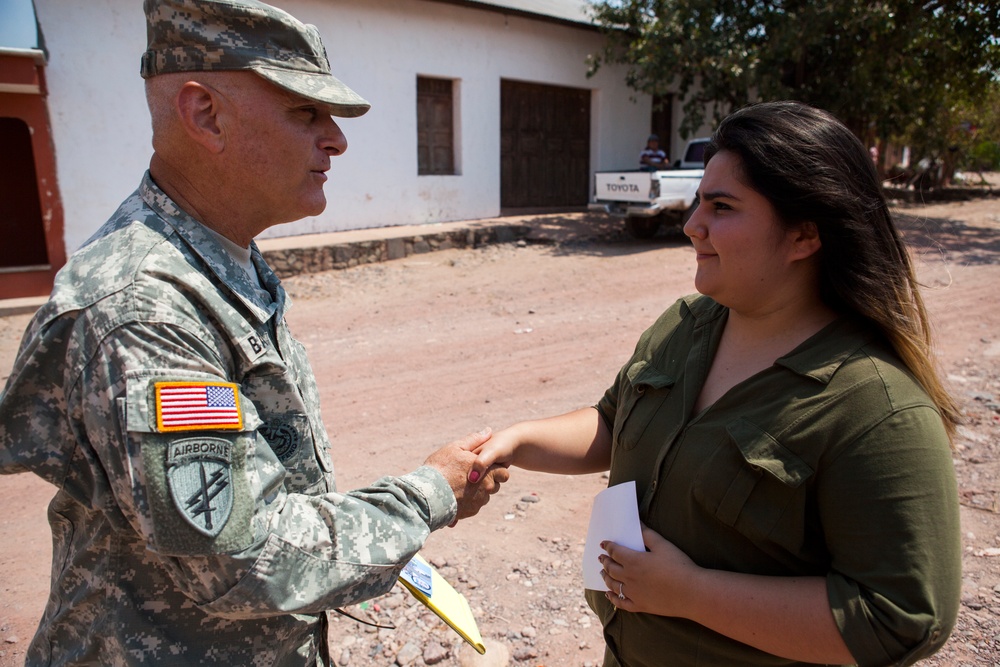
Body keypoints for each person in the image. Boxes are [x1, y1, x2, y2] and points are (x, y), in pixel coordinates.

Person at [0, 0, 507, 664]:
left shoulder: (218, 255)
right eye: (306, 112)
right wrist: (429, 492)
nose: (336, 139)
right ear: (205, 113)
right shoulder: (144, 308)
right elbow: (248, 558)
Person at [471, 101, 962, 666]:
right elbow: (613, 421)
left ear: (805, 235)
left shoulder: (876, 407)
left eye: (722, 207)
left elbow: (898, 618)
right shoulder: (687, 324)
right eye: (699, 201)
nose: (691, 225)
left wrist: (690, 593)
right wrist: (517, 440)